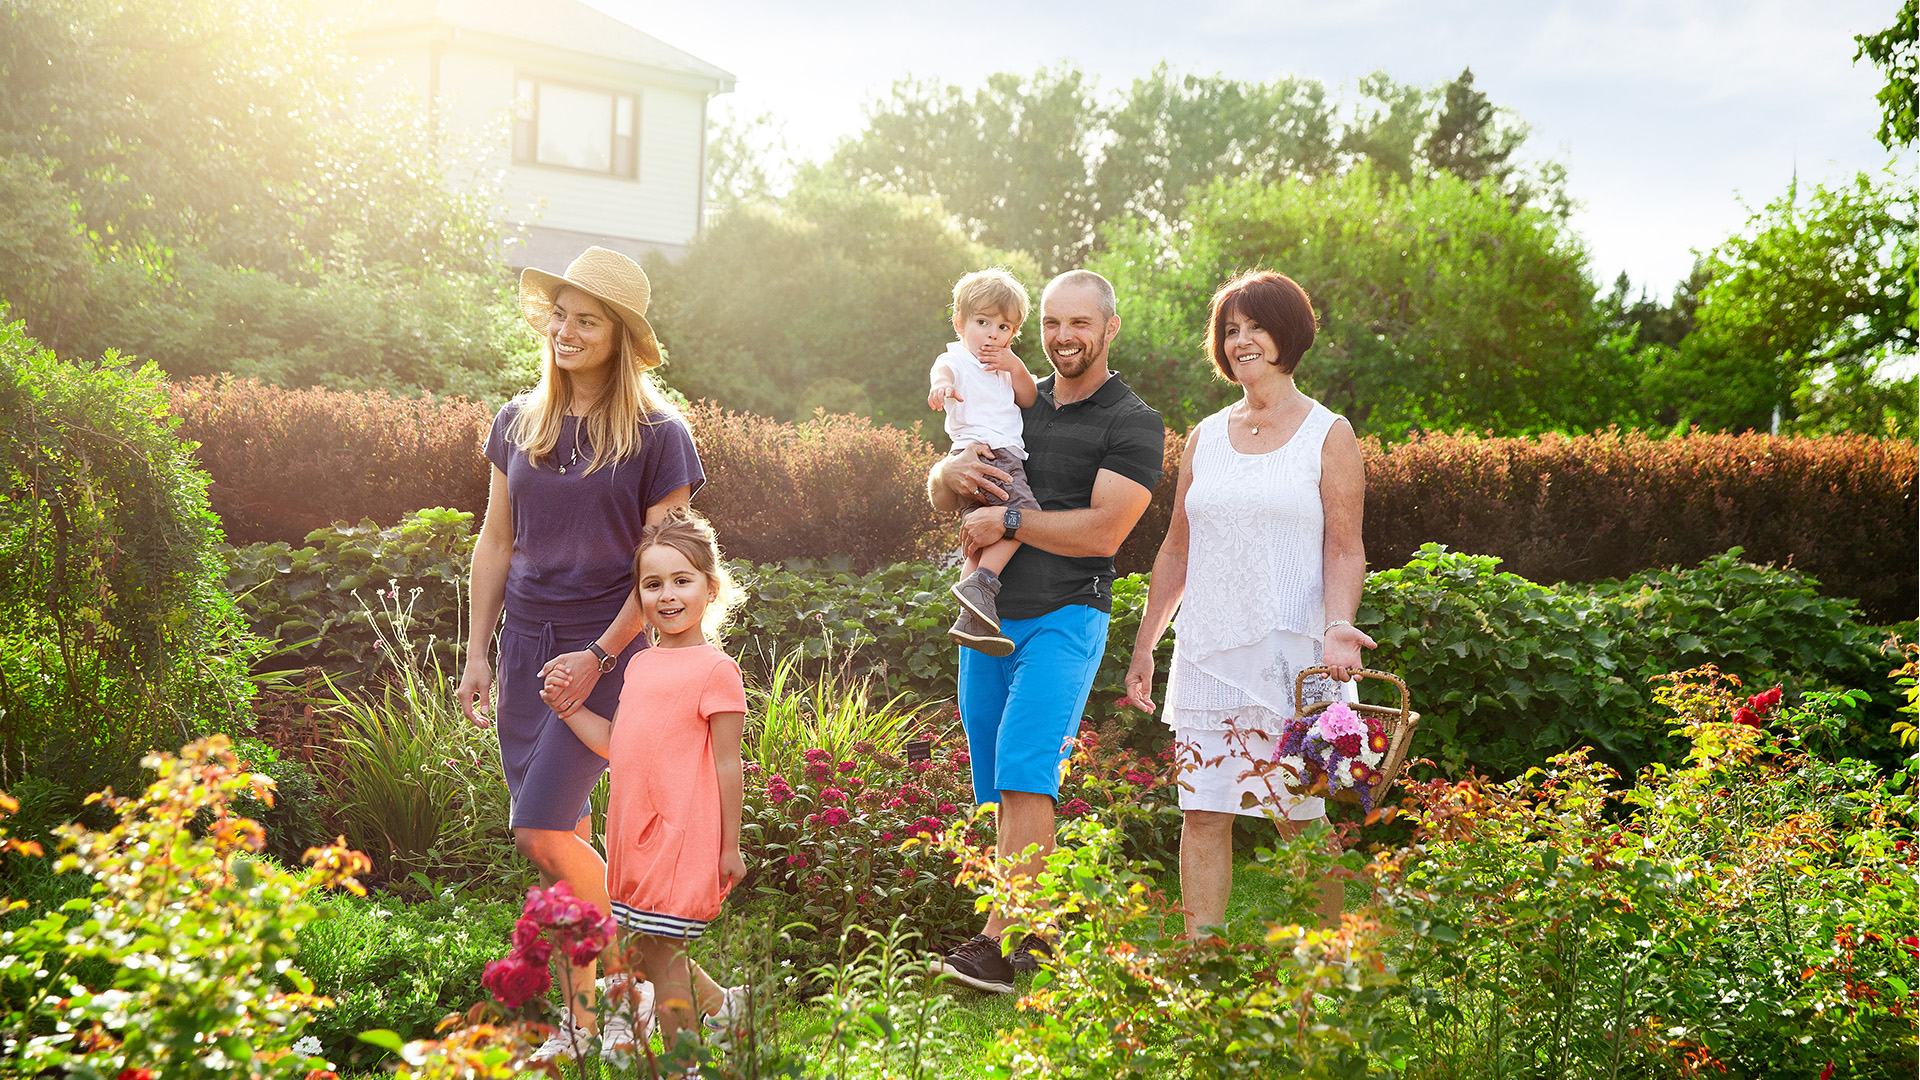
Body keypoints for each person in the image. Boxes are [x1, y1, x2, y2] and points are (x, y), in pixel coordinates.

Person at [455, 246, 705, 1055]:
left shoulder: (660, 436)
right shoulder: (517, 421)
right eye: (559, 315)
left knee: (539, 830)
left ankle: (641, 992)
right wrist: (477, 653)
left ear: (620, 337)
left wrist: (598, 656)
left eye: (586, 320)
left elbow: (665, 566)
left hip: (610, 651)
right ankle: (622, 1012)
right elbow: (494, 543)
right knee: (563, 839)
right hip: (527, 645)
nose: (566, 331)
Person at [927, 269, 1166, 993]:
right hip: (989, 615)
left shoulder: (1132, 421)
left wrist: (1006, 520)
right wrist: (948, 469)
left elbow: (1104, 531)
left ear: (1110, 328)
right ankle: (1043, 933)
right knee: (998, 781)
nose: (1064, 337)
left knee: (1028, 766)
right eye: (1054, 324)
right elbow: (947, 486)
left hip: (1067, 613)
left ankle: (996, 942)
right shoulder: (1011, 394)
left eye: (1080, 324)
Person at [1122, 270, 1376, 937]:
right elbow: (1176, 551)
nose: (1242, 341)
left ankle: (1324, 963)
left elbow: (1345, 550)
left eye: (1256, 326)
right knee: (1203, 812)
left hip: (1298, 660)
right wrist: (1148, 641)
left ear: (1288, 333)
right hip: (1206, 652)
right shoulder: (1204, 436)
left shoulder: (1329, 433)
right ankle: (1199, 961)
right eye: (1230, 330)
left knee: (1302, 815)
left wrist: (1340, 628)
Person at [547, 508, 750, 1056]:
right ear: (638, 597)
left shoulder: (716, 670)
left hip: (684, 834)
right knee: (641, 951)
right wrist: (567, 709)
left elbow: (728, 764)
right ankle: (719, 1018)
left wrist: (729, 846)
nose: (667, 595)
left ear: (711, 589)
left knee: (662, 952)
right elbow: (620, 745)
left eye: (681, 581)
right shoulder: (638, 666)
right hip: (632, 835)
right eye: (652, 584)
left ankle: (684, 1059)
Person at [927, 268, 1040, 656]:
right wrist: (941, 386)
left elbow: (1028, 398)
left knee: (979, 537)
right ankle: (984, 583)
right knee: (1025, 515)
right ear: (960, 323)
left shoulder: (1005, 365)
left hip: (982, 457)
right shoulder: (958, 358)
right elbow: (943, 369)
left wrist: (1015, 366)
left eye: (1004, 326)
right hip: (989, 454)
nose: (992, 333)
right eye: (982, 322)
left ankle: (970, 617)